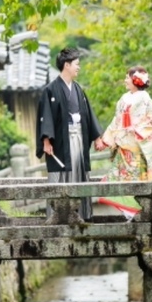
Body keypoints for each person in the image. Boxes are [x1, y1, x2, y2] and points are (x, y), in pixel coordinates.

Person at [36, 47, 104, 221]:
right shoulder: (50, 90)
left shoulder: (78, 89)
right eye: (76, 64)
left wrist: (97, 137)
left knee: (79, 171)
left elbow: (88, 114)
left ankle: (81, 214)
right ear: (67, 65)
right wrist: (46, 141)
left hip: (79, 137)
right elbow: (46, 116)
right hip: (60, 142)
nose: (78, 67)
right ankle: (57, 216)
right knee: (60, 175)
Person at [97, 66, 152, 219]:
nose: (125, 80)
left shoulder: (145, 98)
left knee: (137, 183)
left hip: (137, 150)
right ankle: (129, 214)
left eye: (127, 77)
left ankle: (137, 214)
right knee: (119, 181)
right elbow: (117, 121)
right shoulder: (124, 98)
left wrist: (137, 129)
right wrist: (106, 139)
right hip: (124, 148)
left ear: (135, 80)